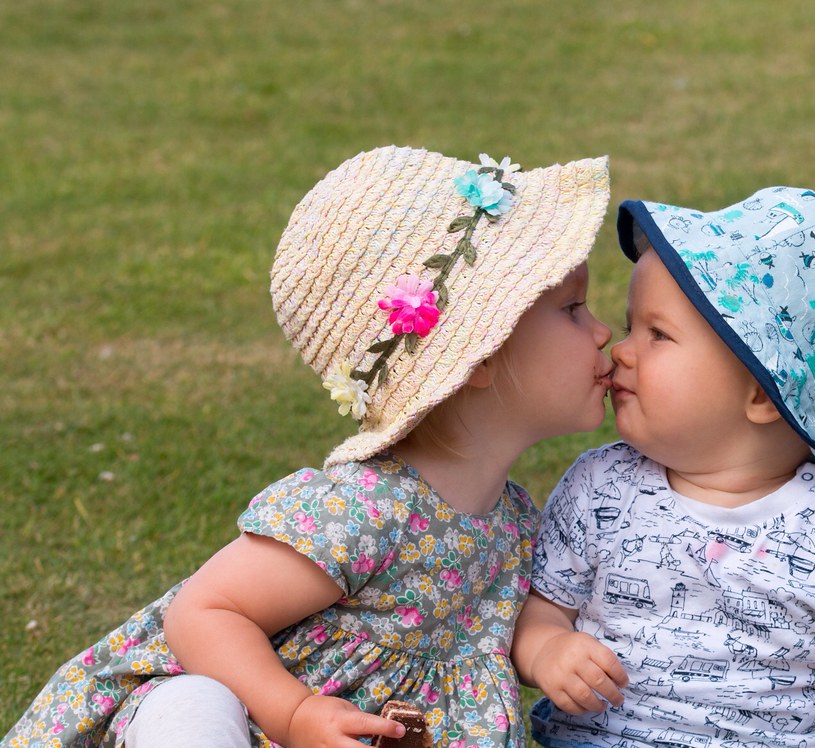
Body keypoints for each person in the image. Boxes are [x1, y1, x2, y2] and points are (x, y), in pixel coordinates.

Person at [4, 146, 616, 748]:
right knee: (194, 707)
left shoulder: (514, 522)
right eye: (572, 308)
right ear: (479, 355)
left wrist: (545, 652)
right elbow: (204, 613)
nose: (603, 331)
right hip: (247, 717)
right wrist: (294, 713)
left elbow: (494, 629)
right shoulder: (366, 508)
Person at [511, 187, 815, 748]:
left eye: (657, 334)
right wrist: (547, 648)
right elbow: (540, 609)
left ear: (763, 394)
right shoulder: (598, 487)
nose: (621, 351)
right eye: (629, 328)